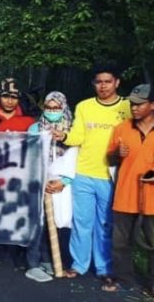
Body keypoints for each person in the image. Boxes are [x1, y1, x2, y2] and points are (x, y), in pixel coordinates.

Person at [102, 84, 154, 298]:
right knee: (121, 241)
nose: (134, 108)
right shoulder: (122, 128)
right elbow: (110, 158)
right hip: (124, 193)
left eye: (139, 104)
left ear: (153, 105)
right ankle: (123, 279)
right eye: (132, 103)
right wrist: (116, 154)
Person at [54, 64, 131, 281]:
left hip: (110, 175)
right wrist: (64, 136)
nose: (103, 86)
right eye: (99, 82)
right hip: (84, 172)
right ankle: (78, 265)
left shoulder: (126, 107)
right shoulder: (84, 106)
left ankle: (104, 267)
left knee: (105, 223)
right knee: (82, 222)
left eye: (108, 81)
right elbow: (78, 135)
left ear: (117, 82)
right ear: (94, 84)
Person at [23, 91, 78, 283]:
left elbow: (77, 158)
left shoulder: (72, 130)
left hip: (62, 184)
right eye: (48, 107)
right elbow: (28, 155)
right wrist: (40, 177)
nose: (52, 111)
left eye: (56, 108)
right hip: (39, 181)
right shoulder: (34, 128)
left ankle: (49, 259)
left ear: (63, 108)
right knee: (37, 223)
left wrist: (65, 181)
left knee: (55, 222)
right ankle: (33, 264)